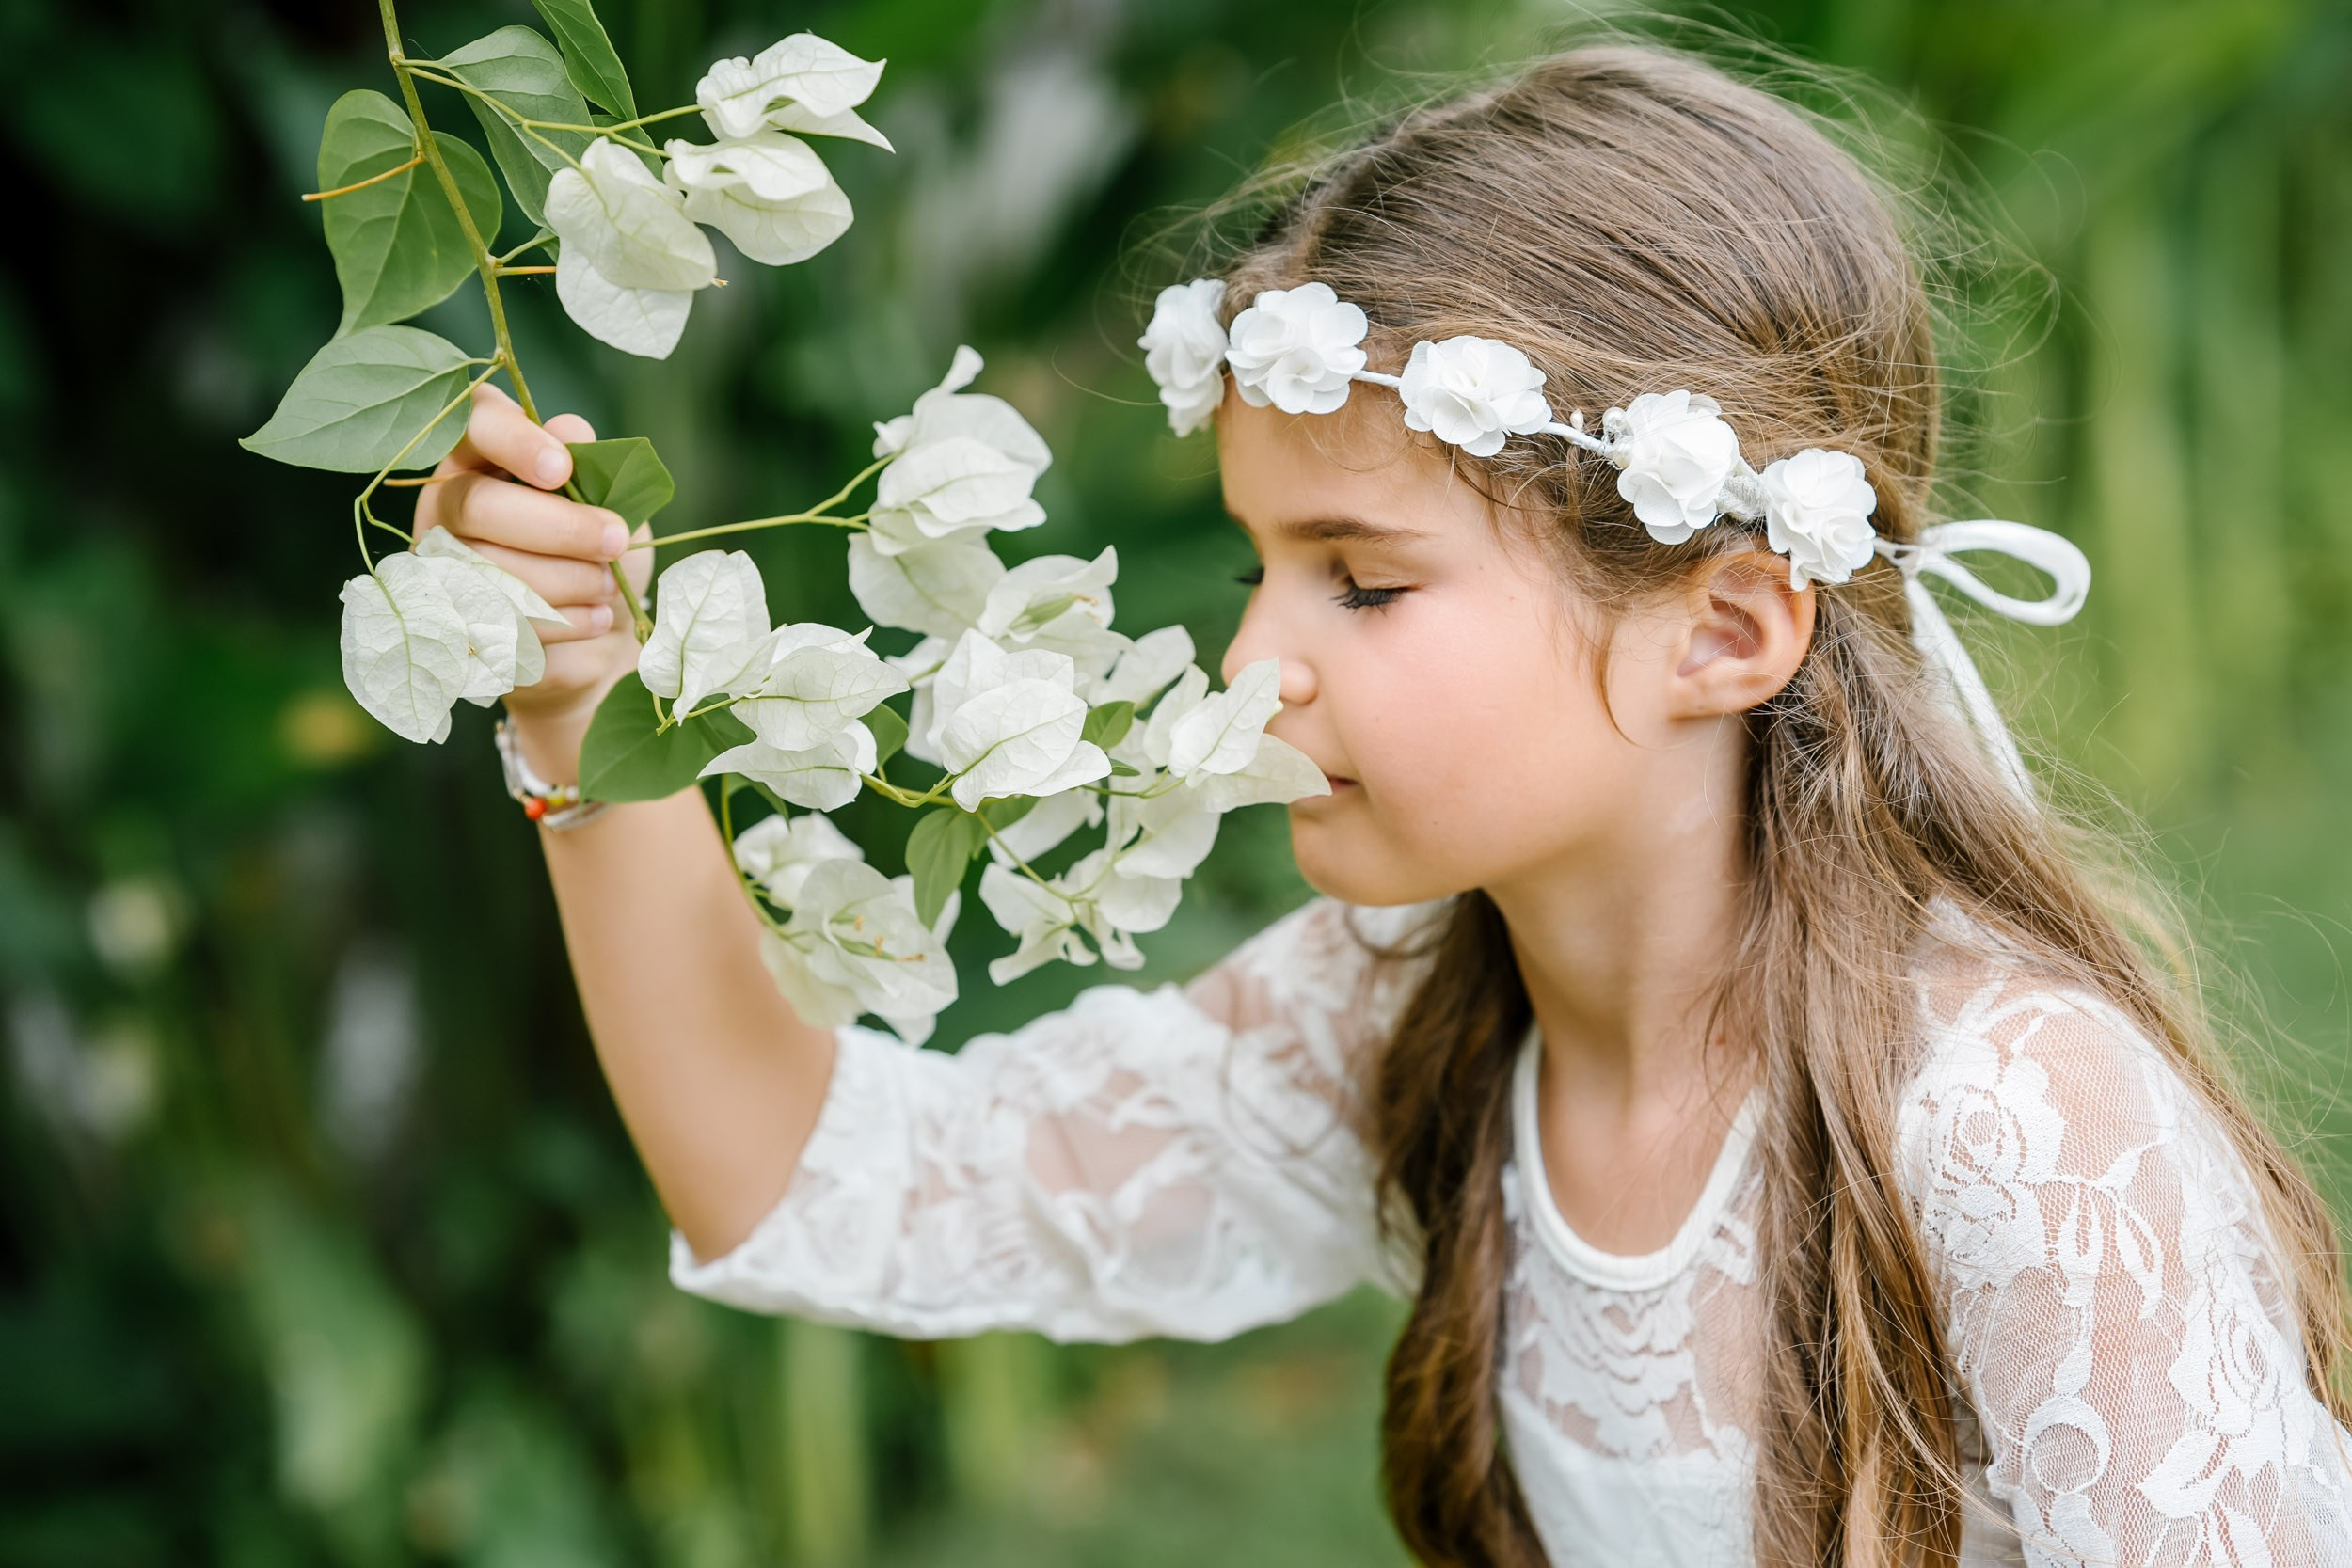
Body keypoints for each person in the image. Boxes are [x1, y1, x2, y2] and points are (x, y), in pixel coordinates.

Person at [415, 42, 2352, 1568]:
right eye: (1259, 561)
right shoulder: (1397, 1004)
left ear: (1726, 625)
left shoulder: (2012, 1124)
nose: (1252, 661)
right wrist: (583, 694)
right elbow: (802, 1175)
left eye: (1362, 577)